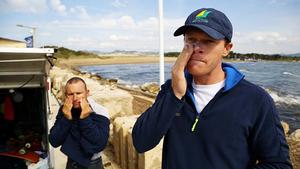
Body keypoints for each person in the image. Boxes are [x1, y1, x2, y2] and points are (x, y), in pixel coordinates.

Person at [132, 8, 292, 169]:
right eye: (191, 40)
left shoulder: (255, 99)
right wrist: (175, 94)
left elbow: (279, 164)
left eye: (208, 41)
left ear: (227, 48)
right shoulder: (172, 90)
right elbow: (141, 142)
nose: (196, 48)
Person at [49, 77, 110, 169]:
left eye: (78, 93)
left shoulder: (100, 111)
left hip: (93, 164)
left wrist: (85, 119)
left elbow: (99, 144)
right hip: (71, 162)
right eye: (70, 94)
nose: (75, 98)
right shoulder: (65, 109)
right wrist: (67, 118)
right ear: (66, 95)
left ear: (87, 93)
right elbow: (54, 140)